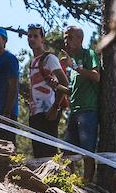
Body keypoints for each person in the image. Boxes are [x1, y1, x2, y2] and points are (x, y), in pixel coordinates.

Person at [25, 23, 69, 159]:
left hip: (48, 112)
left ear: (42, 39)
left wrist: (55, 107)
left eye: (35, 36)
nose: (32, 39)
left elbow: (64, 83)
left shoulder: (50, 58)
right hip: (35, 113)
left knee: (49, 154)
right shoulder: (33, 62)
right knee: (38, 154)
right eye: (29, 36)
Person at [62, 25, 100, 178]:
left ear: (80, 39)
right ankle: (72, 183)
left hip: (88, 110)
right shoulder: (73, 62)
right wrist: (57, 86)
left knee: (87, 151)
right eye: (65, 38)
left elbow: (96, 76)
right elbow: (73, 90)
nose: (66, 41)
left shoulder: (89, 54)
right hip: (74, 111)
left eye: (70, 37)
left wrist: (74, 66)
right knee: (66, 151)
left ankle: (88, 184)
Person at [0, 27, 20, 142]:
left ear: (4, 40)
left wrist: (7, 112)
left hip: (6, 114)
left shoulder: (9, 59)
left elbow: (13, 86)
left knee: (7, 146)